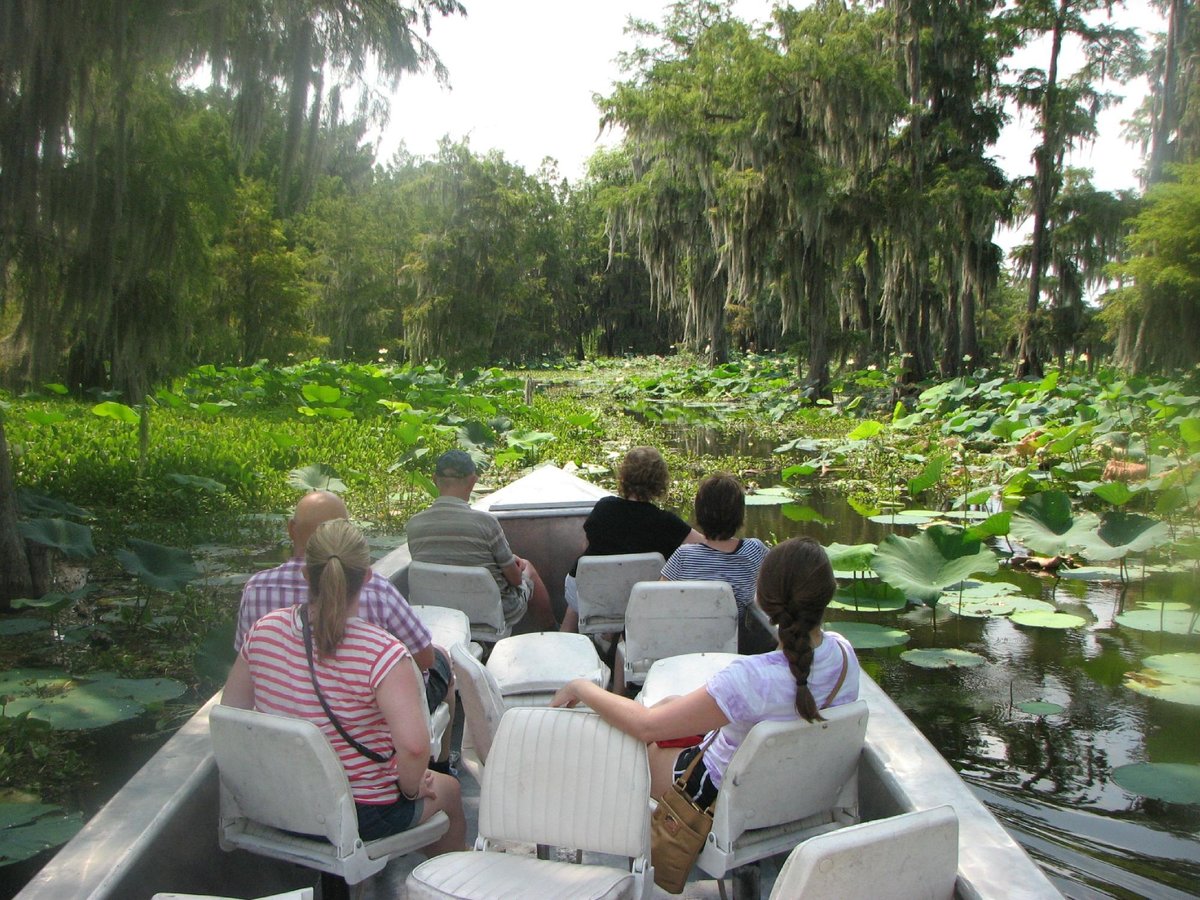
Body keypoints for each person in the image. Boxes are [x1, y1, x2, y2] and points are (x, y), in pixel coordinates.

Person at [552, 537, 859, 805]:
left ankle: (634, 841)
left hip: (719, 797)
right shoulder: (845, 655)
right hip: (791, 792)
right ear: (828, 595)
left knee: (628, 744)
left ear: (763, 599)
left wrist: (582, 688)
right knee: (671, 703)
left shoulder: (749, 679)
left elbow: (646, 726)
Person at [222, 519, 466, 852]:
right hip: (360, 815)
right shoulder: (383, 654)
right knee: (448, 790)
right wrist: (411, 789)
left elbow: (232, 716)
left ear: (307, 575)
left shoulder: (263, 631)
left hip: (276, 804)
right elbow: (413, 748)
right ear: (367, 578)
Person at [234, 491, 453, 730]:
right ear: (345, 533)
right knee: (442, 660)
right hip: (367, 731)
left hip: (285, 726)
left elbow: (245, 662)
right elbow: (424, 659)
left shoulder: (256, 590)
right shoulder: (376, 588)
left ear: (291, 529)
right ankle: (446, 763)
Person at [405, 450, 556, 631]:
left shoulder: (414, 524)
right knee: (527, 568)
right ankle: (550, 631)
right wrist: (514, 564)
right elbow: (515, 580)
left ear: (435, 479)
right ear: (472, 481)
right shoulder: (486, 523)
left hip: (438, 612)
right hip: (491, 613)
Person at [560, 446, 703, 633]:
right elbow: (704, 546)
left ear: (623, 477)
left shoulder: (604, 508)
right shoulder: (667, 523)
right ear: (660, 482)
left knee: (581, 590)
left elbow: (585, 545)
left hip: (592, 597)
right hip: (640, 603)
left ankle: (565, 636)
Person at [661, 473, 771, 653]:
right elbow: (778, 581)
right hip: (736, 645)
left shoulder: (683, 555)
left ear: (699, 513)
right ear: (740, 514)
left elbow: (658, 598)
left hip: (688, 645)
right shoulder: (755, 550)